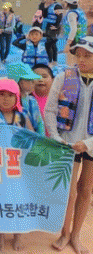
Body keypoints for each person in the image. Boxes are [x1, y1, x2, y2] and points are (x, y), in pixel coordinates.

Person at [44, 37, 93, 254]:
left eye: (87, 56)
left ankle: (76, 235)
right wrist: (56, 137)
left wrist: (88, 143)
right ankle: (64, 233)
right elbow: (50, 109)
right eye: (79, 55)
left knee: (86, 190)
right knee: (70, 192)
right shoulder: (64, 77)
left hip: (91, 144)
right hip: (67, 143)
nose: (81, 59)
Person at [0, 79, 33, 252]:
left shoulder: (23, 117)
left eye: (10, 95)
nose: (5, 99)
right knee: (0, 202)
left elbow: (33, 138)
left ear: (17, 97)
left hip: (18, 169)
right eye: (1, 95)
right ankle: (0, 235)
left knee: (19, 202)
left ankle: (18, 234)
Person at [7, 62, 45, 136]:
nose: (33, 83)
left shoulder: (32, 100)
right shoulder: (10, 102)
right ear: (20, 82)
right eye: (30, 80)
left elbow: (39, 123)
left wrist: (41, 138)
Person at [62, 0, 87, 66]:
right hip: (81, 38)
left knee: (71, 60)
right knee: (78, 59)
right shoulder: (79, 11)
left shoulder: (71, 14)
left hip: (74, 40)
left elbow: (73, 29)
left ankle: (71, 71)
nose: (64, 4)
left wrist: (68, 44)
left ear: (68, 4)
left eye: (65, 2)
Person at [42, 0, 62, 64]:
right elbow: (44, 15)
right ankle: (53, 61)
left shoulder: (57, 6)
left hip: (54, 27)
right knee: (52, 44)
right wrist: (45, 7)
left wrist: (56, 26)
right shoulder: (49, 6)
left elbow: (60, 17)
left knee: (50, 43)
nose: (46, 0)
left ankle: (52, 60)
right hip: (48, 25)